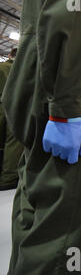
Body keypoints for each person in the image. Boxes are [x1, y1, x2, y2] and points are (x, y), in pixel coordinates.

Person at [2, 0, 81, 275]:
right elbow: (73, 7)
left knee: (40, 217)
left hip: (54, 82)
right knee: (64, 235)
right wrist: (66, 107)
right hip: (75, 94)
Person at [0, 48, 24, 190]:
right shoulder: (24, 69)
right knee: (13, 145)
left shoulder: (1, 67)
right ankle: (8, 179)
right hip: (17, 108)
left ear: (9, 55)